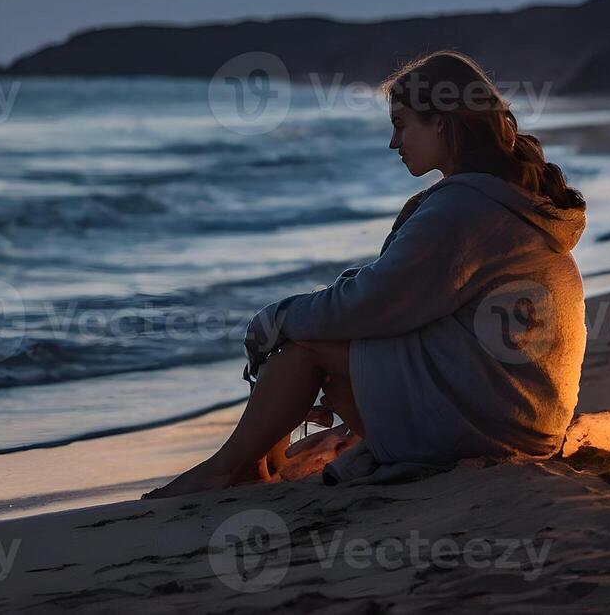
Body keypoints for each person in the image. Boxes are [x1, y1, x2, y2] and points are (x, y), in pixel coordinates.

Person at [146, 50, 587, 497]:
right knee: (329, 345)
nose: (394, 143)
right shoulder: (501, 197)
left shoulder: (465, 209)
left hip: (495, 422)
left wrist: (275, 318)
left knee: (302, 346)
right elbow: (397, 300)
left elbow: (374, 304)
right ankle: (257, 464)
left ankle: (228, 470)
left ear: (441, 122)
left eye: (401, 124)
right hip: (524, 411)